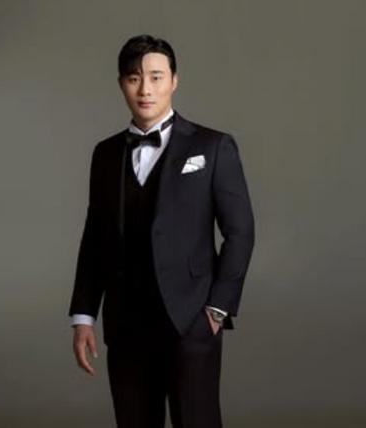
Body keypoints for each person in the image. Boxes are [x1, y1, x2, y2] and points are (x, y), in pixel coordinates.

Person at [67, 34, 255, 428]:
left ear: (174, 80)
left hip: (191, 320)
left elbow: (240, 231)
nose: (145, 89)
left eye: (155, 77)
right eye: (134, 78)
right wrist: (84, 316)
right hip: (126, 324)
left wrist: (216, 309)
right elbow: (95, 237)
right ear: (121, 83)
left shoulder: (213, 146)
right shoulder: (105, 154)